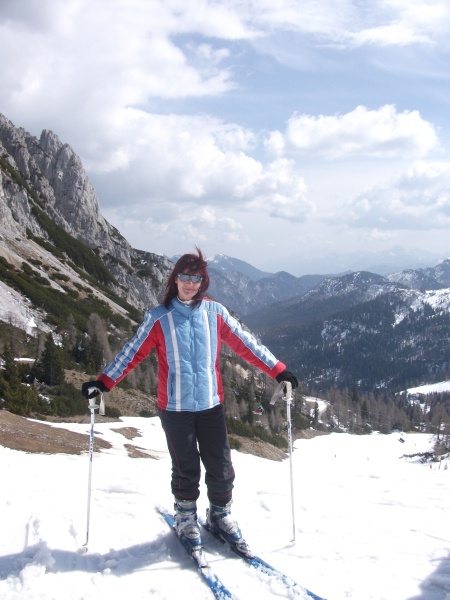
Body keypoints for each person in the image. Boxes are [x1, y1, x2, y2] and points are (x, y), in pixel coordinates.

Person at [81, 248, 298, 557]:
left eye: (196, 279)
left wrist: (278, 370)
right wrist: (104, 382)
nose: (189, 283)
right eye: (184, 276)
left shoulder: (215, 313)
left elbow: (246, 344)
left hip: (210, 404)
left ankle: (220, 514)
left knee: (221, 466)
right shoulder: (159, 318)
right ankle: (185, 517)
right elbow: (132, 353)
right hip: (175, 408)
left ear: (202, 283)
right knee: (186, 467)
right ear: (175, 279)